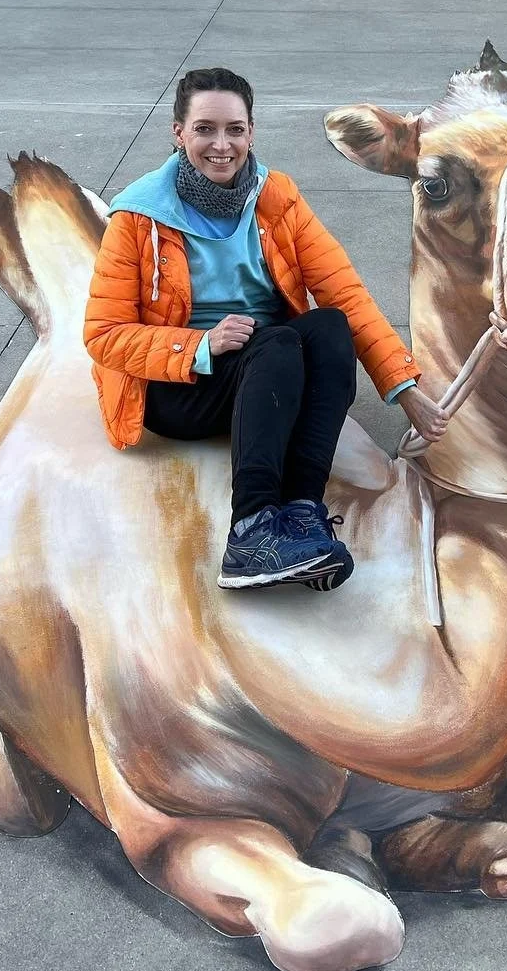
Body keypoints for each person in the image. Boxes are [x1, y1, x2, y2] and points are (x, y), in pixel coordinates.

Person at [83, 66, 447, 591]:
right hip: (180, 387)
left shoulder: (276, 197)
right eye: (205, 128)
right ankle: (249, 532)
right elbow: (104, 334)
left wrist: (403, 387)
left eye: (234, 129)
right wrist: (200, 344)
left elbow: (344, 291)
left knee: (329, 326)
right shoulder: (137, 217)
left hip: (269, 376)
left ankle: (300, 517)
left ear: (251, 133)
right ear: (178, 133)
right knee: (276, 338)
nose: (221, 145)